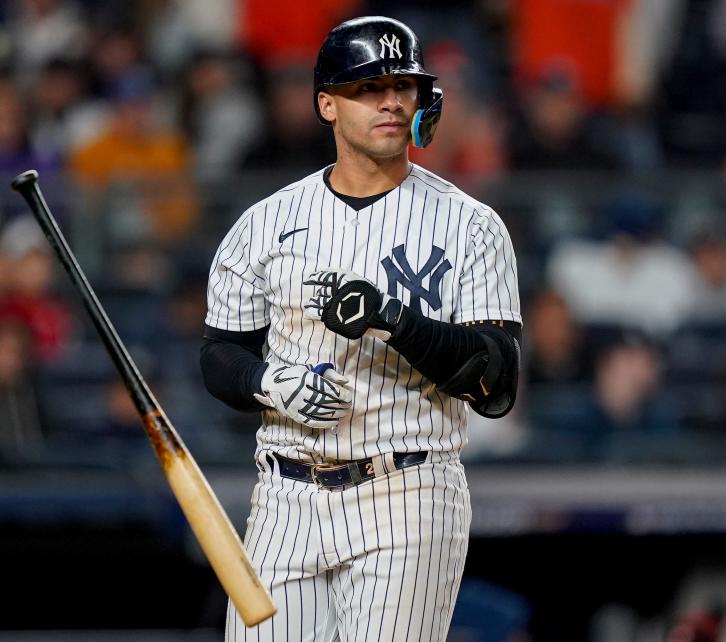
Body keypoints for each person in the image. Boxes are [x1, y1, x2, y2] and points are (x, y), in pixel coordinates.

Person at [200, 16, 522, 642]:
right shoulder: (265, 224)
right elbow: (219, 355)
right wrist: (268, 382)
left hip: (406, 489)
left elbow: (498, 380)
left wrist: (395, 320)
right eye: (368, 87)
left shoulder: (471, 225)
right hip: (285, 495)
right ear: (326, 103)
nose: (391, 101)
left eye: (403, 86)